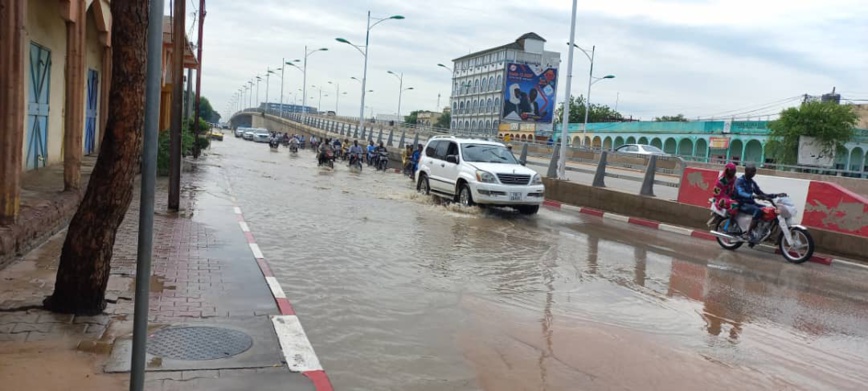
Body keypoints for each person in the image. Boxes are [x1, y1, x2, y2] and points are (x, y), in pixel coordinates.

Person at [733, 163, 771, 242]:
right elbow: (740, 192)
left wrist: (773, 196)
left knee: (766, 209)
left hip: (750, 203)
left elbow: (759, 192)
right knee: (758, 210)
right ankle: (747, 233)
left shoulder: (752, 182)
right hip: (742, 203)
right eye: (752, 171)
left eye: (754, 171)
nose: (753, 173)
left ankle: (759, 231)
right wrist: (752, 196)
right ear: (746, 171)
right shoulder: (739, 181)